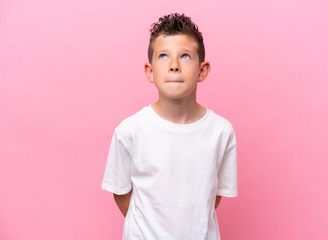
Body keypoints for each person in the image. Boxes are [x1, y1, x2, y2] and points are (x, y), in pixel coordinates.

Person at [101, 13, 238, 240]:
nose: (174, 65)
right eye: (163, 56)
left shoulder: (221, 132)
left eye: (185, 56)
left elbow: (211, 197)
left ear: (202, 70)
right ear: (150, 71)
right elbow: (121, 193)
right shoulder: (130, 131)